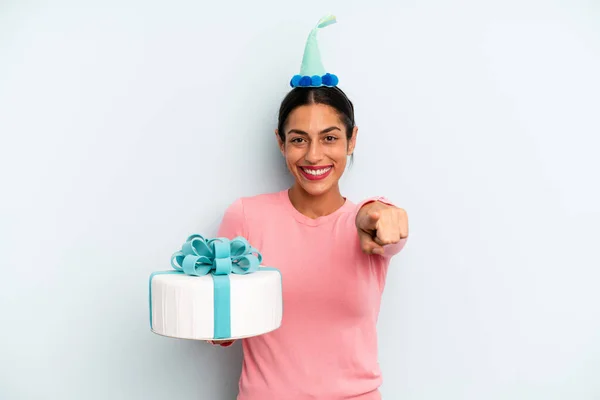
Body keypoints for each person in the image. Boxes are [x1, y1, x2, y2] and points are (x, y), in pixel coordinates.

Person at [209, 15, 409, 400]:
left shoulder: (370, 222)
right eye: (299, 139)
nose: (314, 155)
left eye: (329, 138)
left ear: (352, 140)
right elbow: (224, 319)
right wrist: (218, 327)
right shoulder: (245, 217)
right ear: (280, 143)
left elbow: (387, 226)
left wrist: (381, 216)